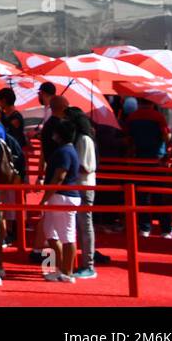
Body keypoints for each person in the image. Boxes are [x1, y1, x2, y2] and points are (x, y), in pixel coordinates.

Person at [125, 98, 172, 238]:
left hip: (138, 161)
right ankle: (165, 229)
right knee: (159, 195)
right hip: (157, 161)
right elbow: (167, 137)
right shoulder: (158, 117)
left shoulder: (132, 117)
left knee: (141, 196)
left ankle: (144, 228)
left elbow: (128, 139)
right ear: (153, 103)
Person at [40, 117, 82, 283]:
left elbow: (59, 176)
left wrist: (45, 197)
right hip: (60, 196)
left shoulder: (65, 152)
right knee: (50, 232)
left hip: (63, 197)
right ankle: (58, 268)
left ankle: (67, 272)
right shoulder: (67, 150)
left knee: (67, 236)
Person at [67, 107, 99, 279]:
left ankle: (88, 264)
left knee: (85, 225)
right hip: (79, 185)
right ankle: (84, 262)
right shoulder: (80, 139)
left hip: (84, 186)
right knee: (80, 226)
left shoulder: (84, 140)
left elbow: (86, 166)